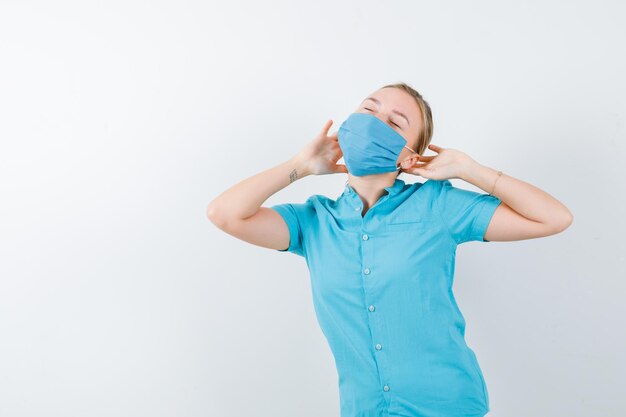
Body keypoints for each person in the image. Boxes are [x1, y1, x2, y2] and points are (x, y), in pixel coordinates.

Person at [206, 82, 573, 417]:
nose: (375, 122)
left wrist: (471, 171)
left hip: (449, 407)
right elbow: (224, 214)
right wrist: (298, 167)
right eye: (368, 109)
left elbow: (553, 218)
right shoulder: (314, 222)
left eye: (394, 123)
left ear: (409, 158)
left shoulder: (439, 206)